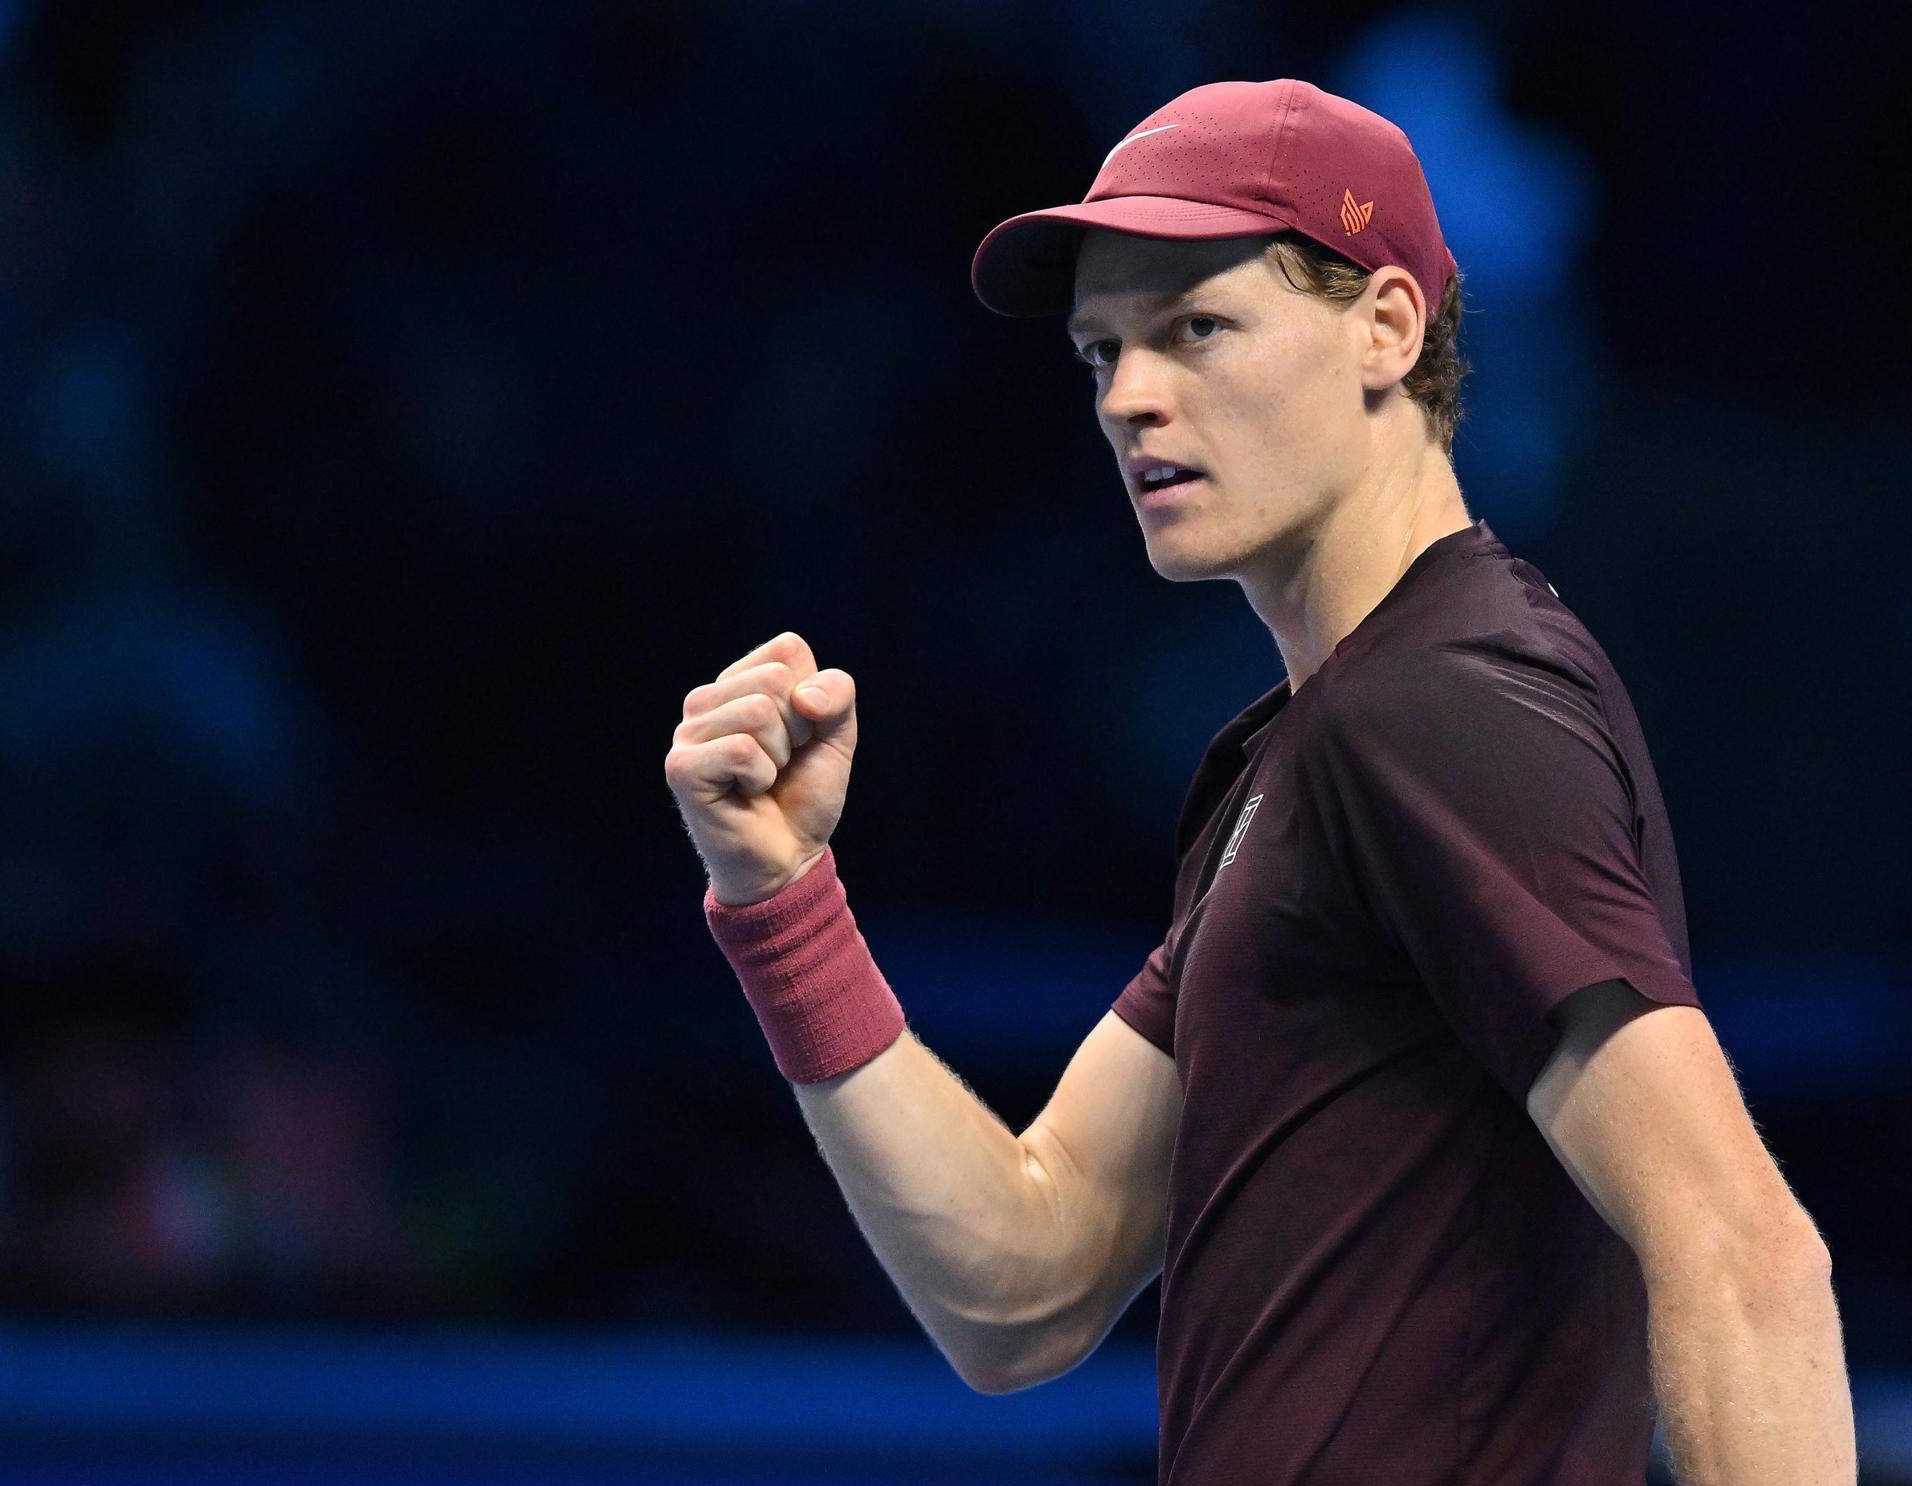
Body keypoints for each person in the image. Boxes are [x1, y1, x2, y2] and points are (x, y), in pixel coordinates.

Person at [664, 79, 1854, 1485]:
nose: (1130, 398)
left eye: (1198, 329)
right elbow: (1025, 1284)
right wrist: (783, 898)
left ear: (1389, 330)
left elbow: (1743, 1250)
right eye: (1101, 352)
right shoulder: (1317, 746)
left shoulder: (1439, 706)